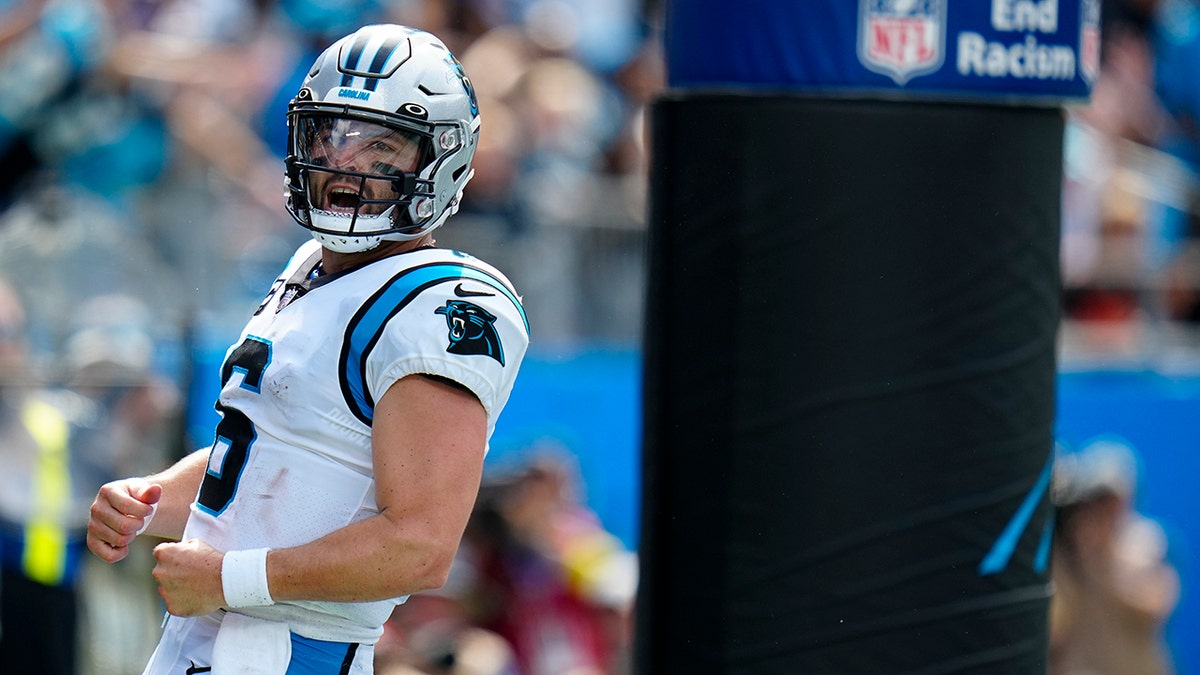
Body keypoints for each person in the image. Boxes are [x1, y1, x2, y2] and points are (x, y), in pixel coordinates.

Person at [86, 23, 529, 674]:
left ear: (441, 160)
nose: (346, 162)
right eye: (332, 135)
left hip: (292, 651)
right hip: (200, 642)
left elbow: (421, 543)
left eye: (382, 146)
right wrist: (150, 497)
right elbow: (269, 453)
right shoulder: (308, 267)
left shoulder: (445, 301)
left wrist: (230, 578)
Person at [1048, 438, 1180, 675]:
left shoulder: (1143, 541)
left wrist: (1101, 560)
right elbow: (1058, 625)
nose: (1104, 509)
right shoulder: (1072, 550)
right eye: (1096, 499)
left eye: (1111, 500)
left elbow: (1155, 603)